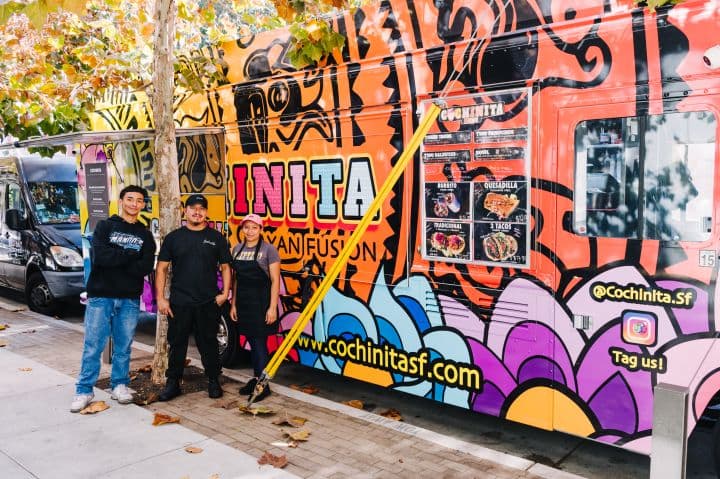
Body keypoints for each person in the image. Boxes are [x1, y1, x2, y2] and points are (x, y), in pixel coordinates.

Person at [71, 185, 156, 412]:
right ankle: (84, 390)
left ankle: (119, 385)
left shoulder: (145, 235)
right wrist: (130, 255)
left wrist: (119, 257)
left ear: (143, 205)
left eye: (139, 200)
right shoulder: (105, 227)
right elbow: (100, 258)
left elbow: (146, 266)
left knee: (124, 346)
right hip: (101, 295)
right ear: (121, 201)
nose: (134, 204)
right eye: (130, 199)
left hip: (129, 298)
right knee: (93, 345)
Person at [155, 194, 231, 401]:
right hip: (180, 302)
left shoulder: (216, 238)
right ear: (185, 211)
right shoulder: (174, 238)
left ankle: (214, 381)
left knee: (209, 343)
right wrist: (161, 299)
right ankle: (173, 384)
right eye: (193, 208)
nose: (197, 212)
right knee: (177, 343)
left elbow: (226, 267)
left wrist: (225, 293)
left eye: (201, 209)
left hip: (208, 302)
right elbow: (161, 269)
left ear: (206, 212)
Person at [230, 213, 280, 402]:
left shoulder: (269, 250)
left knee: (259, 343)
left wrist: (272, 307)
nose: (250, 231)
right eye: (246, 227)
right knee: (251, 341)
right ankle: (256, 379)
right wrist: (234, 303)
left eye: (254, 227)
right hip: (244, 302)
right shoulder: (237, 249)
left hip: (262, 303)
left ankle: (263, 385)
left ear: (261, 229)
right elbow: (236, 280)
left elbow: (275, 280)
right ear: (242, 229)